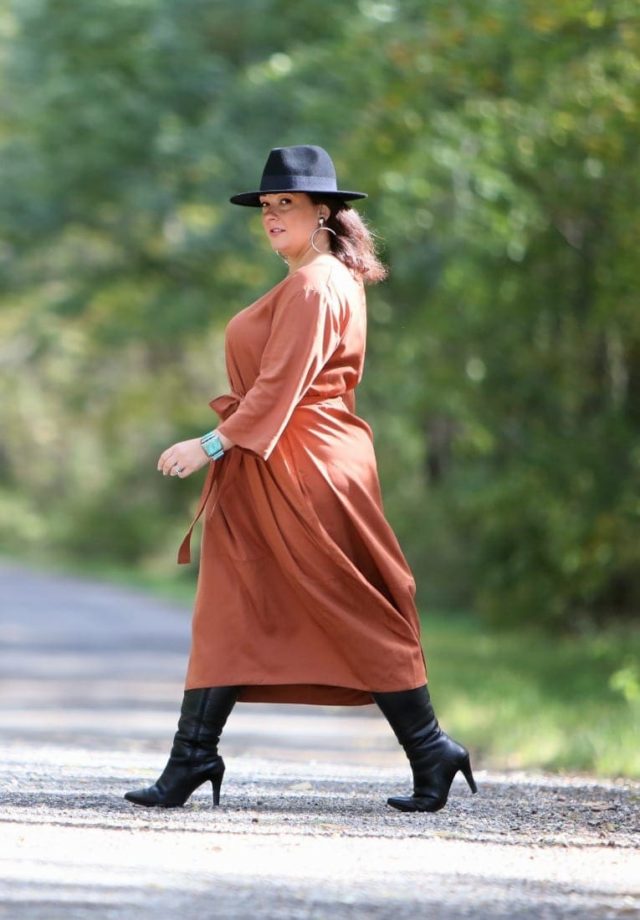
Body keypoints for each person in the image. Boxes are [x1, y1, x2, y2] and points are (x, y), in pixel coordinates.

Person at [124, 145, 477, 813]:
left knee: (355, 605)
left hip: (304, 467)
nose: (271, 217)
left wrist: (209, 442)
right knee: (229, 603)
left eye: (286, 205)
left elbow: (280, 387)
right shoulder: (310, 280)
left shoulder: (317, 284)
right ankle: (192, 757)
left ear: (324, 212)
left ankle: (430, 745)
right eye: (265, 207)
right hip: (269, 463)